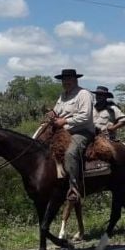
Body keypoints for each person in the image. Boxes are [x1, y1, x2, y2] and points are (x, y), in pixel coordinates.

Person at [51, 68, 95, 202]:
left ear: (75, 79)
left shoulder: (84, 94)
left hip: (81, 131)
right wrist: (52, 114)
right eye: (64, 80)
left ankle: (73, 188)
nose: (66, 82)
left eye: (69, 79)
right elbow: (57, 111)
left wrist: (65, 120)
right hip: (63, 131)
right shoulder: (63, 95)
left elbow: (85, 116)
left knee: (70, 152)